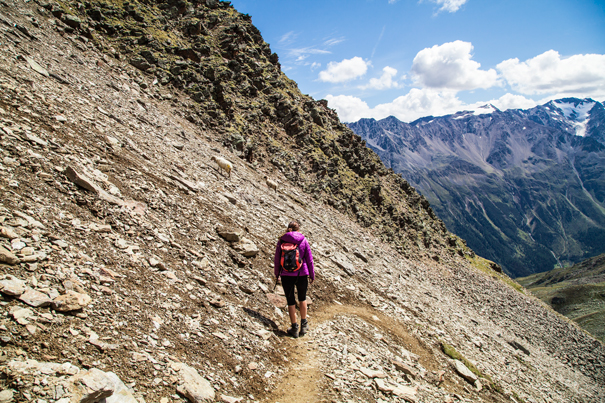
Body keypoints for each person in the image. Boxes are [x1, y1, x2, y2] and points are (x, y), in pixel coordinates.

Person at [274, 220, 315, 338]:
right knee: (302, 298)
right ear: (298, 229)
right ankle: (304, 325)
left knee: (290, 300)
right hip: (302, 274)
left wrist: (277, 274)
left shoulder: (281, 240)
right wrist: (312, 275)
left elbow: (277, 260)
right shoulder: (303, 240)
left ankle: (294, 328)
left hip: (286, 275)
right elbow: (309, 259)